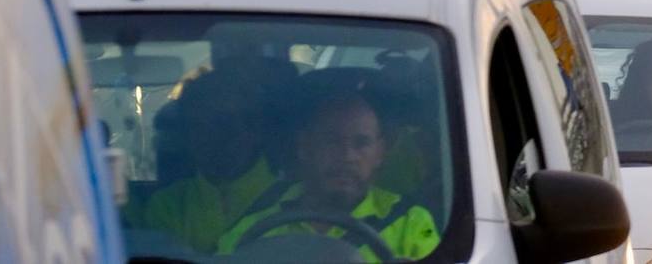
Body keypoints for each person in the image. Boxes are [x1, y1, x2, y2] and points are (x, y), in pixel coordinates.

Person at [217, 87, 440, 261]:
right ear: (305, 147)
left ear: (380, 153)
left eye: (361, 143)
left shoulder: (410, 223)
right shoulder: (257, 224)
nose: (347, 156)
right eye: (332, 141)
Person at [138, 73, 279, 254]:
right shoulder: (168, 206)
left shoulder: (295, 198)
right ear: (186, 137)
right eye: (199, 127)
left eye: (224, 124)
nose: (211, 138)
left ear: (256, 130)